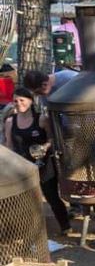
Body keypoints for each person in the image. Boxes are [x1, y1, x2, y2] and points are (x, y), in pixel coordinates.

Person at [3, 86, 71, 235]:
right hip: (22, 167)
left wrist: (45, 147)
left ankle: (65, 226)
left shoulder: (41, 119)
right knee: (25, 199)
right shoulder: (10, 121)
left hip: (44, 164)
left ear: (31, 101)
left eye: (22, 100)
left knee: (51, 196)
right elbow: (9, 144)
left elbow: (53, 138)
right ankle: (29, 231)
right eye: (15, 101)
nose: (18, 103)